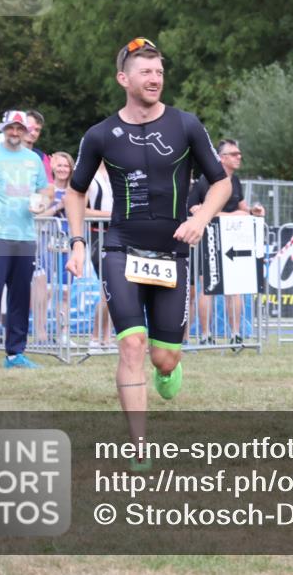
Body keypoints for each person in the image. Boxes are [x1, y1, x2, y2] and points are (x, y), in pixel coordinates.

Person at [64, 37, 230, 470]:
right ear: (124, 78)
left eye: (158, 71)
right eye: (145, 71)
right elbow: (75, 191)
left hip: (171, 254)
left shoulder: (186, 125)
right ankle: (139, 446)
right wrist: (78, 242)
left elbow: (222, 182)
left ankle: (169, 367)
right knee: (132, 345)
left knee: (162, 355)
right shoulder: (100, 134)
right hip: (120, 248)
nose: (154, 78)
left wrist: (202, 218)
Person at [0, 110, 53, 370]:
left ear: (26, 130)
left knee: (19, 298)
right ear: (3, 129)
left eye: (20, 128)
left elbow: (46, 189)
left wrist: (43, 202)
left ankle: (15, 353)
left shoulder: (33, 160)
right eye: (11, 128)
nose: (15, 132)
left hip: (25, 238)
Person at [187, 138, 265, 345]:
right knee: (207, 287)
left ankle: (235, 335)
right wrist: (235, 215)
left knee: (235, 287)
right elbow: (195, 208)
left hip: (234, 239)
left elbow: (240, 205)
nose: (239, 157)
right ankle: (205, 335)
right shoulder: (205, 181)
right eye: (234, 154)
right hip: (210, 240)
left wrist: (251, 211)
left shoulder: (235, 180)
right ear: (222, 158)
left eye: (239, 153)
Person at [34, 152, 75, 345]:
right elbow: (37, 216)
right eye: (59, 165)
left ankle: (63, 334)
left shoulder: (75, 190)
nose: (63, 169)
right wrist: (58, 206)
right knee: (47, 290)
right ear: (52, 168)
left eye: (66, 166)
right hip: (47, 244)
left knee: (65, 292)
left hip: (68, 245)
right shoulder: (46, 190)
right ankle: (40, 332)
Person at [85, 161, 115, 352]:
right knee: (107, 287)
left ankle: (107, 337)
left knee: (115, 289)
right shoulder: (88, 174)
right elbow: (83, 209)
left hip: (119, 233)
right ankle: (96, 337)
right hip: (98, 232)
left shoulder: (118, 170)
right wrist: (111, 214)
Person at [25, 110, 54, 183]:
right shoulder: (3, 153)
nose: (33, 133)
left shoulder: (42, 158)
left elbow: (48, 186)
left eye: (37, 130)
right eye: (29, 128)